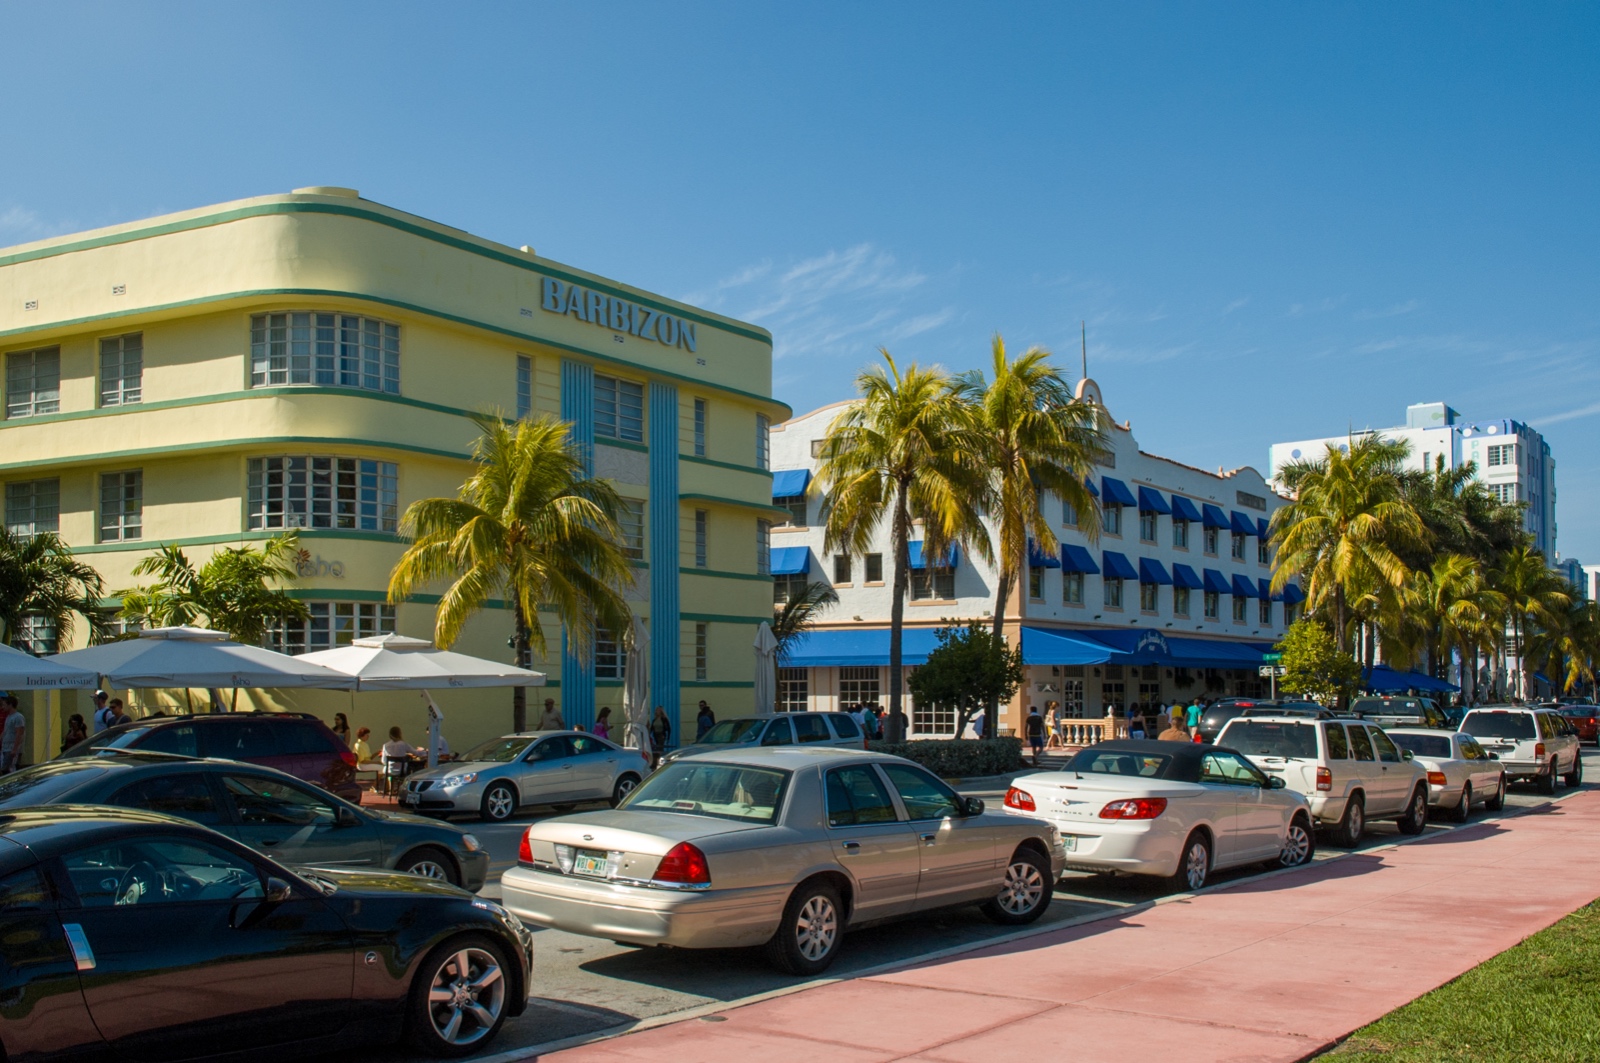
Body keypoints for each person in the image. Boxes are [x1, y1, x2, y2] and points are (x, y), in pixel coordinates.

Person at [0, 696, 24, 774]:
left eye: (4, 705)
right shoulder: (8, 717)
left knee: (8, 769)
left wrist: (15, 749)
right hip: (5, 747)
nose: (2, 707)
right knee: (4, 768)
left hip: (11, 748)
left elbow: (19, 734)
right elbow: (6, 730)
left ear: (10, 705)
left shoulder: (18, 717)